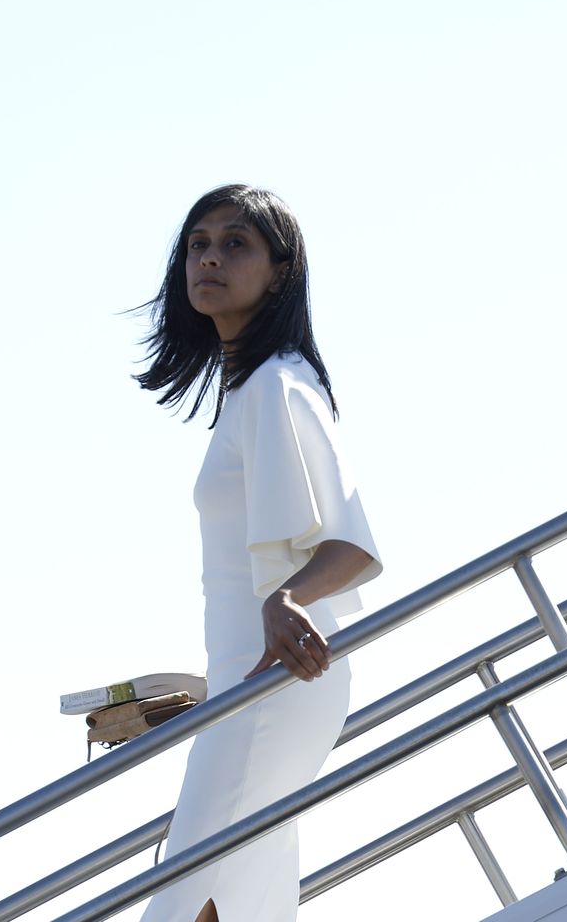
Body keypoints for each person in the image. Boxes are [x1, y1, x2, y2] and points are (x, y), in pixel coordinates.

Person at [133, 184, 383, 922]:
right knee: (235, 905)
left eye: (235, 243)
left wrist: (288, 599)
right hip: (245, 684)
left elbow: (351, 544)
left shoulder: (278, 385)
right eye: (198, 244)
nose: (210, 257)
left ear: (278, 272)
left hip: (273, 686)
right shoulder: (253, 390)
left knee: (190, 904)